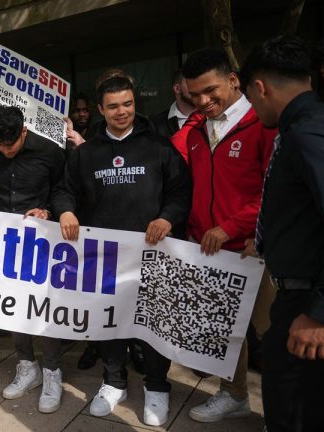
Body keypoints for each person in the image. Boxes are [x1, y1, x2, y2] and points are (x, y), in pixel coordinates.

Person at [54, 75, 191, 427]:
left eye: (127, 104)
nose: (122, 112)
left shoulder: (159, 147)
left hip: (153, 254)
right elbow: (64, 191)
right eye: (113, 106)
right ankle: (114, 381)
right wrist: (66, 210)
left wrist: (167, 218)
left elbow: (180, 192)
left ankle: (158, 386)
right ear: (101, 110)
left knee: (153, 325)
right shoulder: (86, 153)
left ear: (135, 104)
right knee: (109, 325)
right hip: (104, 259)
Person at [172, 48, 277, 424]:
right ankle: (233, 396)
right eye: (194, 95)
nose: (203, 101)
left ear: (234, 80)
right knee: (223, 334)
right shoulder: (196, 130)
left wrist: (233, 228)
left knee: (273, 335)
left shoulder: (263, 123)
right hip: (210, 252)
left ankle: (284, 409)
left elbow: (275, 190)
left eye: (210, 91)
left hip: (256, 249)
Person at [241, 35, 324, 432]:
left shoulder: (307, 134)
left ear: (260, 87)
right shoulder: (304, 128)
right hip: (297, 294)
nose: (254, 110)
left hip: (308, 305)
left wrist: (317, 313)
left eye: (251, 100)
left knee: (294, 411)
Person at [0, 105, 67, 414]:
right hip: (4, 239)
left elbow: (66, 188)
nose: (5, 151)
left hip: (43, 238)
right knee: (14, 305)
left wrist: (48, 210)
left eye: (10, 145)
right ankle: (27, 365)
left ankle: (52, 372)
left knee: (43, 306)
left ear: (24, 132)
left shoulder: (49, 151)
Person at [152, 70, 198, 139]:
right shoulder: (156, 125)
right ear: (177, 89)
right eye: (190, 82)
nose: (197, 87)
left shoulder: (210, 115)